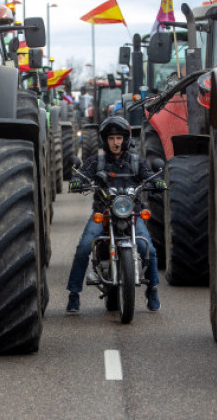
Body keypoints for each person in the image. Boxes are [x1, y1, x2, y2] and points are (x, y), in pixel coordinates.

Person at [66, 116, 166, 313]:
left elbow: (150, 176)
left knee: (150, 250)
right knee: (84, 246)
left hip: (132, 215)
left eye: (119, 138)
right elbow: (81, 175)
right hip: (103, 214)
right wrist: (77, 181)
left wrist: (158, 182)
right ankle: (73, 294)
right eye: (111, 138)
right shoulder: (97, 161)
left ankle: (152, 290)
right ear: (105, 140)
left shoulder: (137, 162)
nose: (115, 142)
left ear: (125, 139)